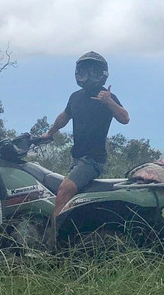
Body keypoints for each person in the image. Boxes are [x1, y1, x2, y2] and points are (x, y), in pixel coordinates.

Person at [38, 51, 130, 222]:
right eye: (85, 69)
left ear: (102, 72)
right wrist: (49, 133)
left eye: (93, 70)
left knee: (64, 191)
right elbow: (64, 117)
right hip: (77, 159)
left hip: (93, 160)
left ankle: (52, 235)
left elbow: (125, 118)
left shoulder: (107, 97)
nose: (88, 74)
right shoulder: (75, 97)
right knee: (64, 195)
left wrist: (109, 101)